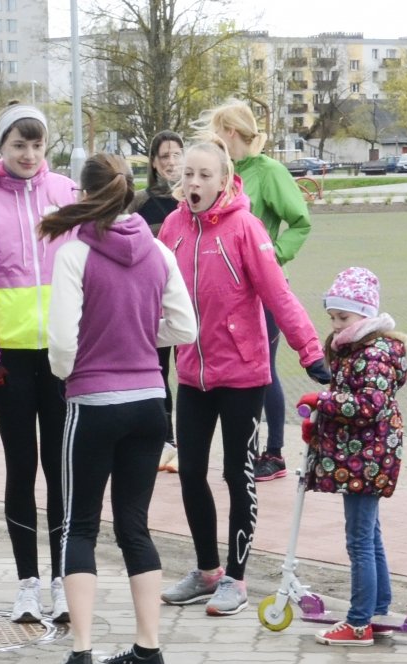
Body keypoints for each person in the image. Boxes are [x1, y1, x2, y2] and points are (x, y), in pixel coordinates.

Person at [158, 138, 329, 617]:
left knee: (238, 474)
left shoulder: (245, 228)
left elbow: (279, 295)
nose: (193, 183)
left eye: (204, 175)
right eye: (187, 174)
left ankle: (235, 578)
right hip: (192, 374)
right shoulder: (171, 227)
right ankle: (207, 571)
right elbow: (149, 290)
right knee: (190, 471)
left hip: (242, 375)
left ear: (223, 178)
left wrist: (310, 352)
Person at [43, 153, 196, 664]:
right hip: (150, 405)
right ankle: (147, 646)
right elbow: (185, 328)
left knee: (79, 524)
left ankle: (82, 648)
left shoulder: (73, 253)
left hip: (93, 403)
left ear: (82, 195)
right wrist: (137, 340)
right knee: (134, 525)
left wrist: (72, 369)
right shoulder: (157, 251)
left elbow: (62, 343)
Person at [0, 101, 78, 624]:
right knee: (21, 469)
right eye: (18, 145)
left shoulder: (66, 192)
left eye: (37, 145)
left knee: (62, 471)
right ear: (1, 147)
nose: (29, 155)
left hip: (61, 358)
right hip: (9, 360)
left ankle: (62, 582)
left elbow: (88, 268)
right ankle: (27, 581)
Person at [192, 99, 314, 482]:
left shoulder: (269, 172)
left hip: (263, 291)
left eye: (216, 131)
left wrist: (273, 257)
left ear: (230, 132)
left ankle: (274, 452)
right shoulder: (219, 171)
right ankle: (243, 449)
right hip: (225, 295)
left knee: (264, 371)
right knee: (233, 374)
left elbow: (300, 221)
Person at [301, 267, 407, 646]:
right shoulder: (357, 349)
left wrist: (323, 400)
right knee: (370, 534)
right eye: (331, 317)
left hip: (367, 457)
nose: (334, 324)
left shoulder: (373, 354)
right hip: (363, 456)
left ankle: (359, 621)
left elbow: (368, 405)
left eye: (342, 317)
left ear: (366, 315)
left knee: (359, 539)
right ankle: (378, 606)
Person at [126, 130, 185, 473]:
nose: (172, 161)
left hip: (188, 301)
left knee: (190, 373)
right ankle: (166, 440)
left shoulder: (191, 199)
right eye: (164, 155)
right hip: (153, 301)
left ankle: (189, 443)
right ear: (153, 162)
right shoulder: (139, 201)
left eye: (177, 154)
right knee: (158, 372)